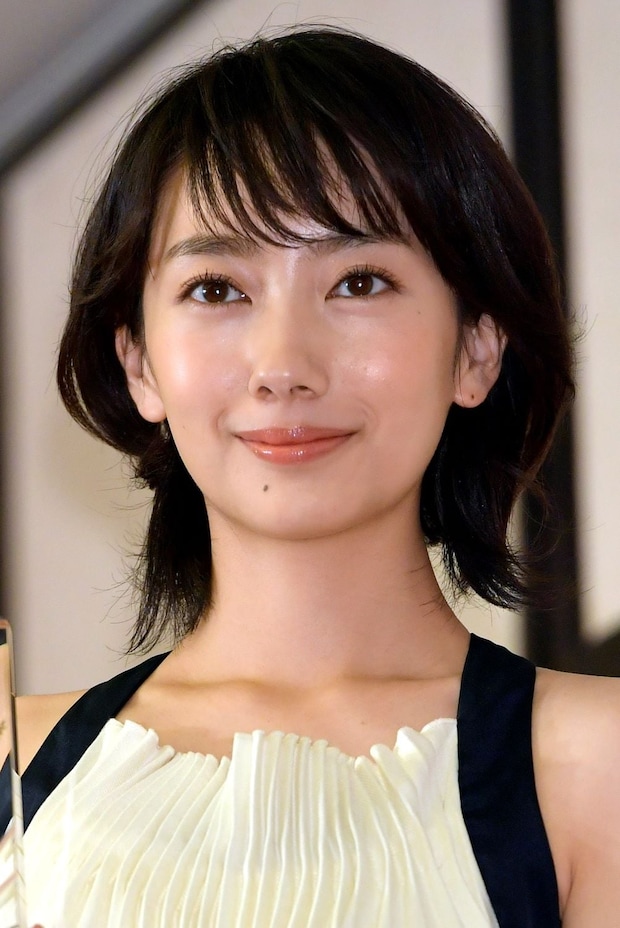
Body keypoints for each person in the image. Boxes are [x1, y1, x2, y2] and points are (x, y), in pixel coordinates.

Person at [2, 25, 619, 928]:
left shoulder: (595, 765)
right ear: (139, 365)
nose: (284, 365)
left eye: (359, 282)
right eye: (217, 289)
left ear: (476, 349)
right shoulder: (15, 769)